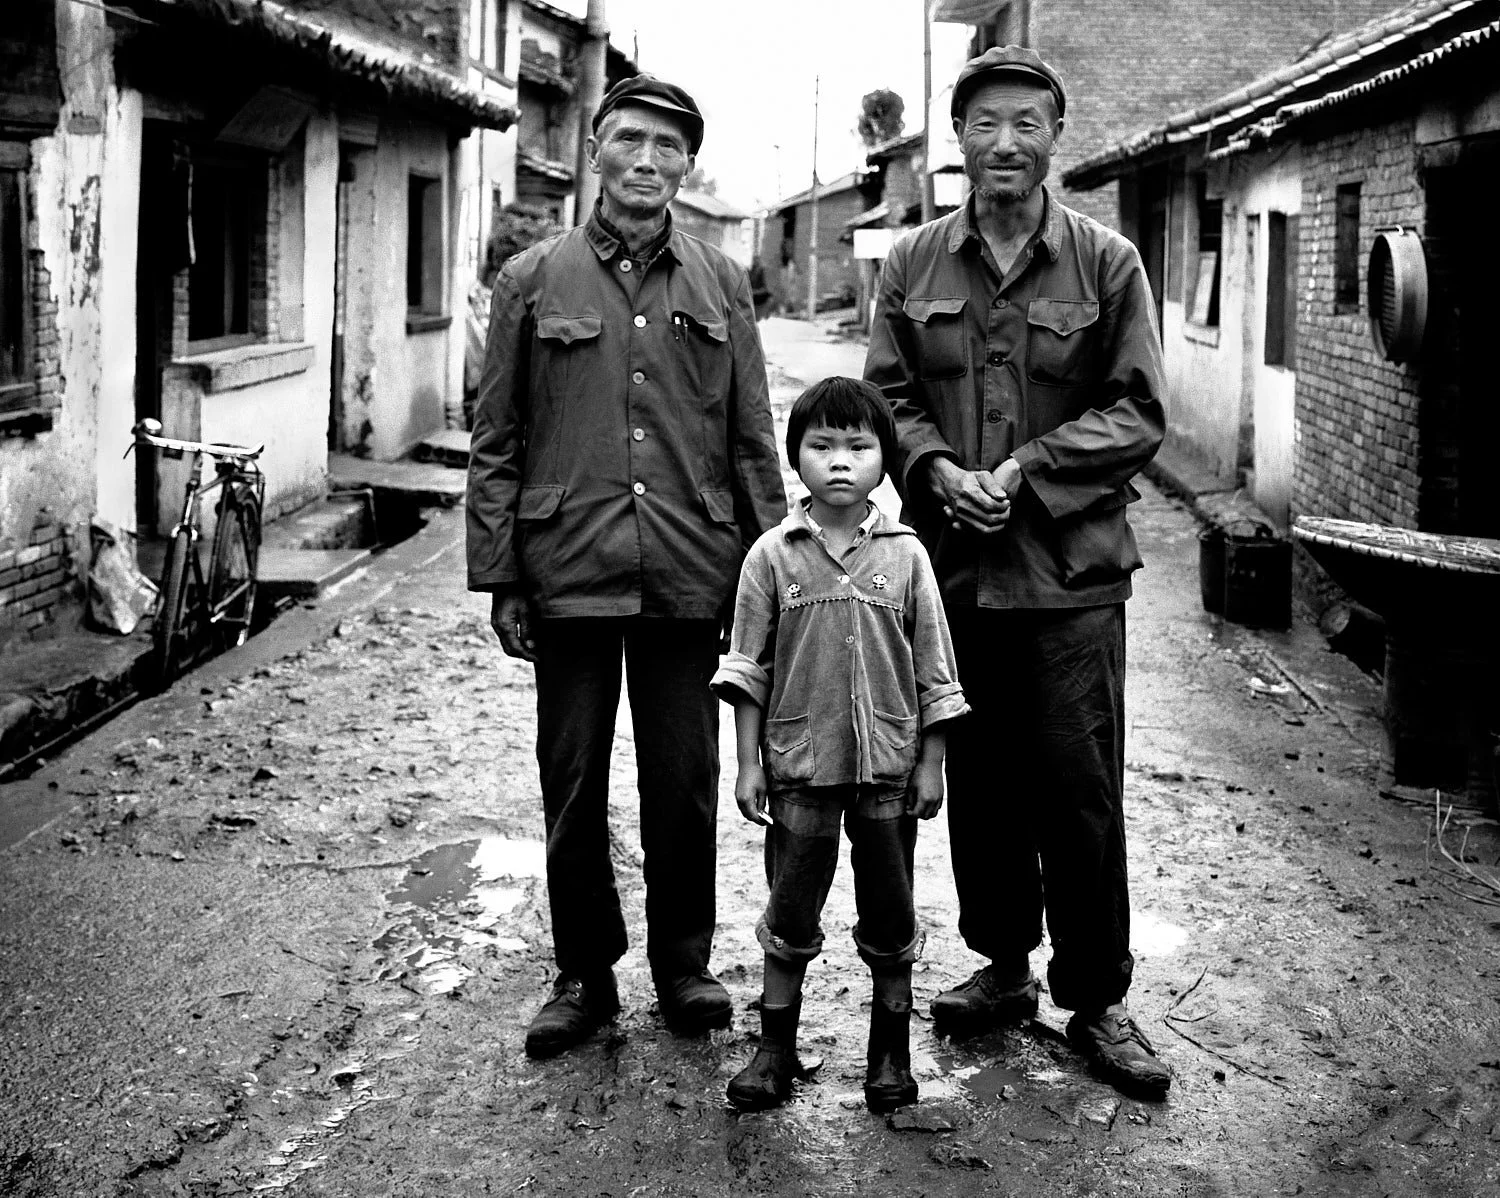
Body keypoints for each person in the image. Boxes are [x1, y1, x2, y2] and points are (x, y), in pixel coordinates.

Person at [863, 45, 1170, 1100]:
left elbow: (1138, 410)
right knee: (983, 783)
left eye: (1026, 123)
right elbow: (887, 397)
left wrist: (1027, 471)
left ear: (1055, 137)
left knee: (1078, 788)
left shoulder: (1107, 263)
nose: (1005, 141)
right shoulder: (912, 263)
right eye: (986, 122)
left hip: (1070, 575)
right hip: (952, 572)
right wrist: (934, 469)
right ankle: (1003, 964)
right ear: (959, 136)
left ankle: (1096, 995)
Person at [467, 73, 787, 1059]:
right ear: (595, 149)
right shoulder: (532, 281)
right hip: (566, 565)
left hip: (693, 569)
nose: (647, 161)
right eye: (630, 140)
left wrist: (778, 575)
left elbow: (750, 436)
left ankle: (684, 963)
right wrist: (503, 576)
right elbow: (498, 439)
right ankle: (584, 973)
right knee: (571, 779)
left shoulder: (721, 283)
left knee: (684, 779)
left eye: (668, 147)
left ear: (688, 166)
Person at [711, 377, 969, 1112]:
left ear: (886, 459)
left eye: (859, 446)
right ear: (795, 455)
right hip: (800, 768)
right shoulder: (771, 556)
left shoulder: (909, 557)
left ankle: (889, 1052)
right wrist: (748, 764)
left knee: (891, 911)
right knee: (790, 910)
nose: (840, 462)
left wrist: (932, 764)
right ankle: (775, 1049)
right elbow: (748, 670)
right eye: (821, 446)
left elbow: (936, 672)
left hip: (888, 769)